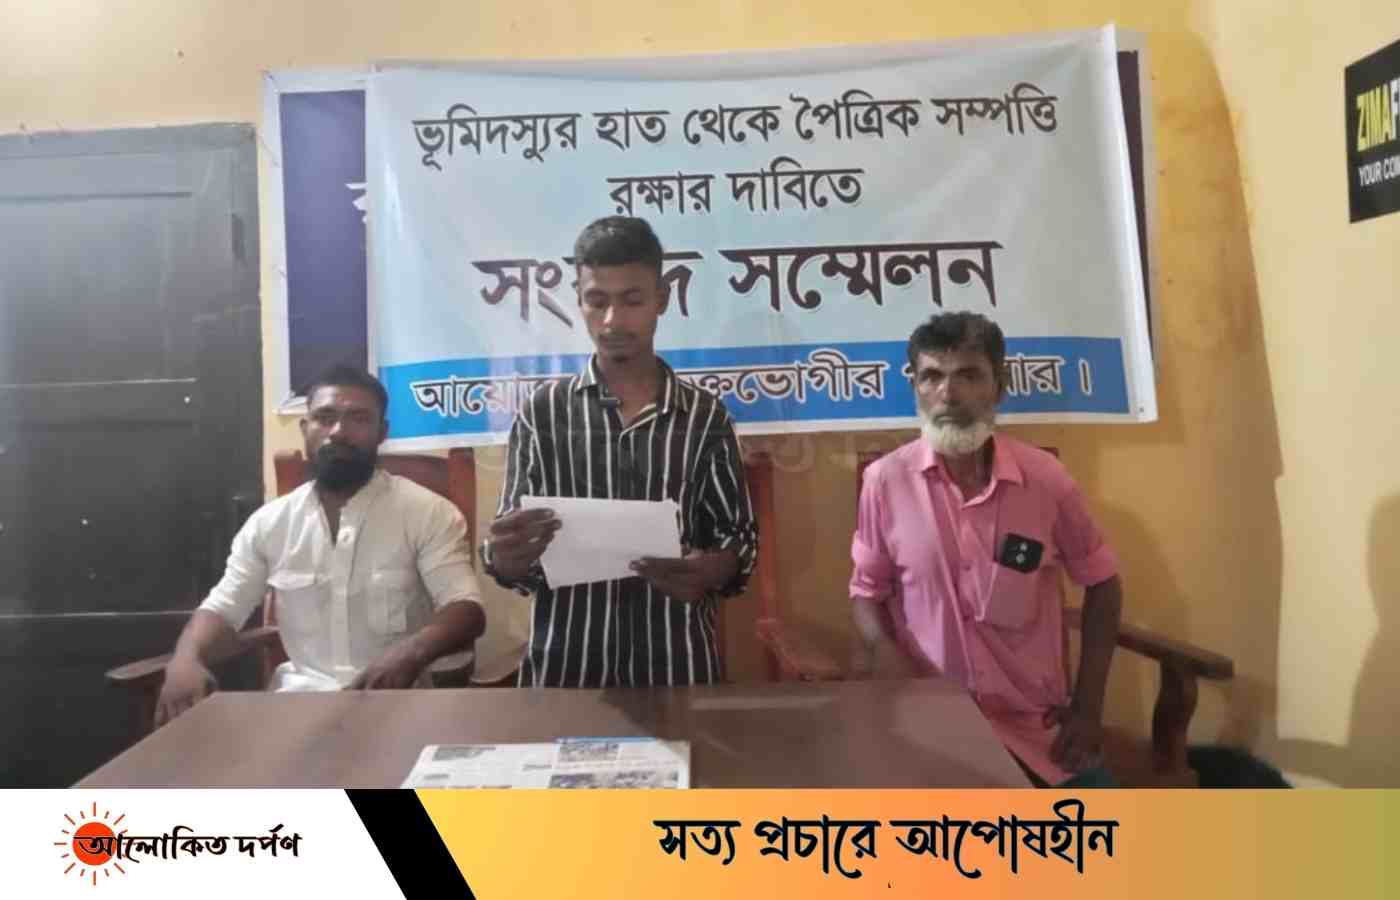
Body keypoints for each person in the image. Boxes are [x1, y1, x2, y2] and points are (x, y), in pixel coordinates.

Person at [848, 312, 1124, 786]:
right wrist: (881, 648)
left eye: (969, 375)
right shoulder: (885, 482)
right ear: (915, 387)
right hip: (930, 731)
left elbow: (1104, 584)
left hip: (1038, 731)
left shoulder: (1045, 481)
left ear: (1000, 386)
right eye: (931, 377)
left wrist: (1088, 708)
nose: (948, 395)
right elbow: (865, 592)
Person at [482, 216, 757, 687]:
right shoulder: (542, 414)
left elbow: (739, 539)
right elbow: (510, 551)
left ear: (661, 299)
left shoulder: (705, 416)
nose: (612, 320)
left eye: (632, 300)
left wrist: (712, 568)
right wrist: (503, 558)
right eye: (597, 301)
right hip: (565, 673)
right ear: (578, 298)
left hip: (677, 667)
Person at [154, 365, 486, 725]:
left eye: (358, 418)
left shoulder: (427, 512)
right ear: (305, 428)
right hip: (295, 711)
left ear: (382, 432)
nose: (339, 431)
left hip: (397, 708)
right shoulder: (271, 523)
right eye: (325, 417)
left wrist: (410, 654)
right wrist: (185, 658)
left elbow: (465, 608)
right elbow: (223, 608)